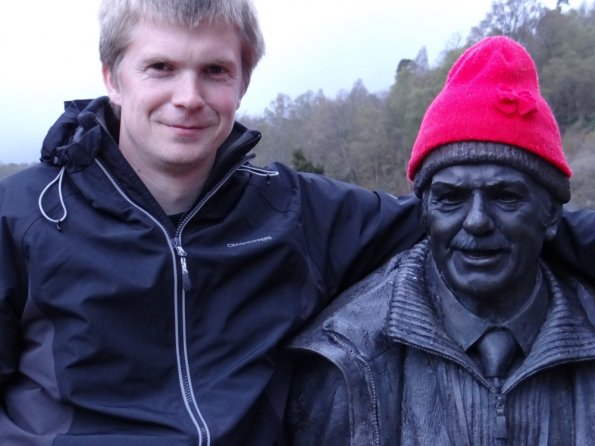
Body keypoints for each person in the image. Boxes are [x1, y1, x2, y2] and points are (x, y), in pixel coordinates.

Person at [0, 3, 592, 445]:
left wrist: (536, 211)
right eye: (160, 67)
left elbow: (459, 223)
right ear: (112, 76)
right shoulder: (24, 214)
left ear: (243, 81)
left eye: (214, 71)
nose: (189, 96)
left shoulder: (295, 212)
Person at [285, 36, 595, 445]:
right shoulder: (345, 358)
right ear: (425, 212)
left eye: (505, 196)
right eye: (451, 198)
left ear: (551, 214)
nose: (478, 221)